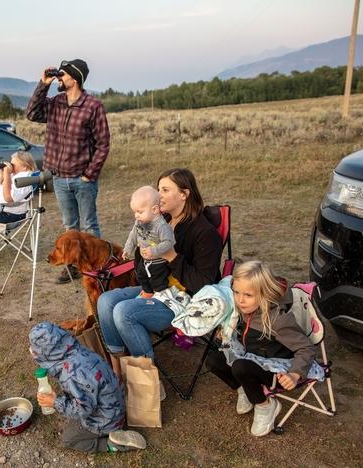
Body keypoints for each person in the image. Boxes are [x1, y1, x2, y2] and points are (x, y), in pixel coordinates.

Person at [96, 168, 223, 383]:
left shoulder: (204, 232)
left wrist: (172, 256)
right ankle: (118, 368)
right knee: (106, 300)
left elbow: (204, 284)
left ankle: (147, 383)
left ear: (184, 194)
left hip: (184, 298)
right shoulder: (158, 220)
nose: (159, 195)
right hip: (157, 287)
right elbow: (141, 255)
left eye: (165, 190)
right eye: (158, 189)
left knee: (124, 312)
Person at [205, 261, 317, 437]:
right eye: (236, 292)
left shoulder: (278, 321)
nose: (240, 299)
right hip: (252, 357)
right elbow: (242, 331)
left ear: (265, 295)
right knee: (213, 360)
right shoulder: (242, 309)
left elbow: (306, 348)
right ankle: (243, 388)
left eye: (248, 295)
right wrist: (227, 331)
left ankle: (265, 405)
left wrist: (295, 374)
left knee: (240, 367)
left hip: (276, 369)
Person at [26, 59, 110, 284]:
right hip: (59, 178)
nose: (59, 78)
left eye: (62, 75)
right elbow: (32, 113)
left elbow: (103, 144)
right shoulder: (55, 103)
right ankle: (73, 266)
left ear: (75, 78)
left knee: (89, 225)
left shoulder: (93, 107)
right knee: (70, 226)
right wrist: (43, 84)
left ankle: (97, 269)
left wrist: (89, 173)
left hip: (82, 179)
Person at [29, 321, 147, 453]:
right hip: (113, 403)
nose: (32, 351)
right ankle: (113, 428)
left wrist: (55, 403)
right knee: (73, 420)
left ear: (46, 353)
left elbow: (84, 409)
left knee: (68, 439)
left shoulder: (70, 375)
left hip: (107, 418)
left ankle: (112, 443)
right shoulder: (76, 350)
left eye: (34, 348)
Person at [122, 186, 175, 297]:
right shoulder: (140, 221)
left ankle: (160, 296)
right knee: (141, 276)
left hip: (158, 262)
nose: (136, 215)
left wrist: (153, 250)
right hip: (145, 260)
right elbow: (133, 235)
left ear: (155, 209)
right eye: (135, 212)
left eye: (140, 212)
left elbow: (169, 242)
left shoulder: (161, 226)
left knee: (158, 281)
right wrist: (128, 248)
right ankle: (148, 292)